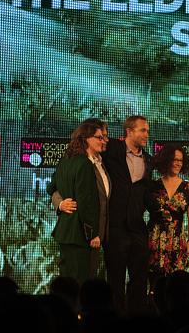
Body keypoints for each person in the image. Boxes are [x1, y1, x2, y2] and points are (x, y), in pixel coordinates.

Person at [52, 115, 152, 315]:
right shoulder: (90, 159)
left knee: (91, 280)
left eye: (105, 137)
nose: (104, 140)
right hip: (93, 232)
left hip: (124, 229)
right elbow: (65, 190)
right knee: (84, 282)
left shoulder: (102, 161)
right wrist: (60, 203)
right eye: (100, 137)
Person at [47, 120, 110, 284]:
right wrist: (92, 233)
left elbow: (51, 187)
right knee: (80, 283)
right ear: (85, 138)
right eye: (99, 137)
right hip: (81, 234)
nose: (103, 140)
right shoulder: (84, 163)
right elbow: (85, 202)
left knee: (69, 283)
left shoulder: (67, 160)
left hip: (68, 233)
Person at [146, 144, 189, 289]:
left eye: (181, 160)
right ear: (166, 160)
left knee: (176, 286)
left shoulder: (188, 188)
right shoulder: (153, 186)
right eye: (175, 159)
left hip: (177, 242)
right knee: (155, 284)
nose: (178, 163)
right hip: (155, 240)